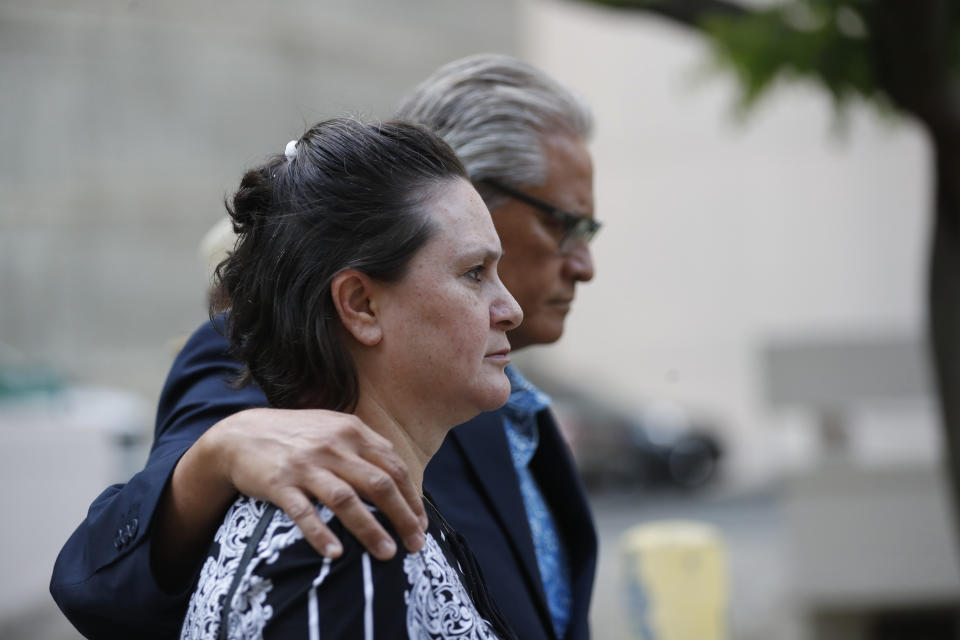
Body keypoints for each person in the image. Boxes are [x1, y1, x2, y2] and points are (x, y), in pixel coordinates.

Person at [52, 54, 599, 640]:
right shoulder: (315, 493)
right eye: (564, 224)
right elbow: (97, 577)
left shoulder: (501, 402)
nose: (584, 264)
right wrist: (216, 452)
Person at [178, 117, 521, 638]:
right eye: (474, 273)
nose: (510, 308)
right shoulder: (335, 538)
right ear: (361, 305)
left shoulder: (360, 509)